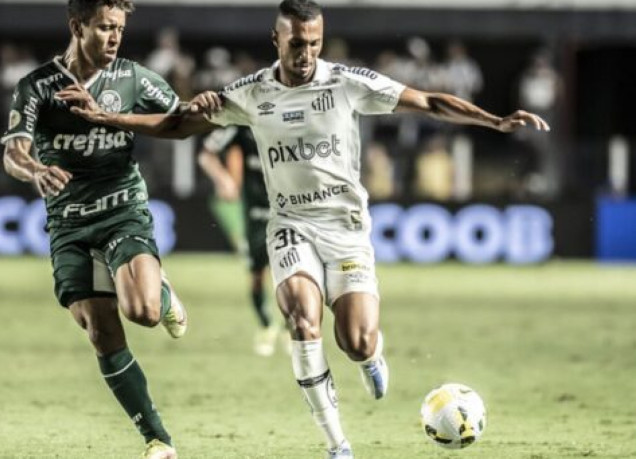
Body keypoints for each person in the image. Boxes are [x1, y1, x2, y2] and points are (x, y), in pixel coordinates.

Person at [56, 1, 549, 457]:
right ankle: (338, 445)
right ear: (277, 38)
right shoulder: (251, 93)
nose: (306, 53)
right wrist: (108, 117)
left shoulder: (347, 82)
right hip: (291, 226)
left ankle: (371, 355)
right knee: (302, 322)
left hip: (347, 229)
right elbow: (177, 125)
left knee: (354, 340)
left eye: (314, 43)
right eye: (297, 43)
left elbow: (429, 102)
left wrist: (496, 120)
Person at [0, 1, 189, 458]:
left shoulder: (134, 79)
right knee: (100, 331)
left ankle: (161, 295)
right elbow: (13, 152)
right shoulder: (37, 87)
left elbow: (181, 122)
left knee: (142, 311)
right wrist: (35, 170)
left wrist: (203, 108)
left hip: (122, 208)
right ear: (76, 26)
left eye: (119, 29)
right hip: (68, 223)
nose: (114, 37)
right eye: (104, 27)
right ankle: (158, 439)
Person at [197, 126, 283, 356]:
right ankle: (266, 326)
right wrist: (223, 179)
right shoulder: (243, 123)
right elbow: (206, 153)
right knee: (257, 275)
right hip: (254, 213)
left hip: (289, 210)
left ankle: (294, 330)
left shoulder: (290, 114)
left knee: (292, 273)